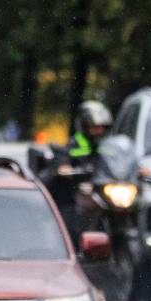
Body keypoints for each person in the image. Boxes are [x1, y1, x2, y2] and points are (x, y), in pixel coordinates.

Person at [38, 101, 114, 239]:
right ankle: (72, 245)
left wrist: (137, 169)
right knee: (69, 221)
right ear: (85, 126)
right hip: (76, 192)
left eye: (103, 127)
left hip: (104, 191)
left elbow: (119, 160)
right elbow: (62, 155)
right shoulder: (74, 143)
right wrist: (63, 166)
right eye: (95, 127)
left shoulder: (110, 145)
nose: (100, 131)